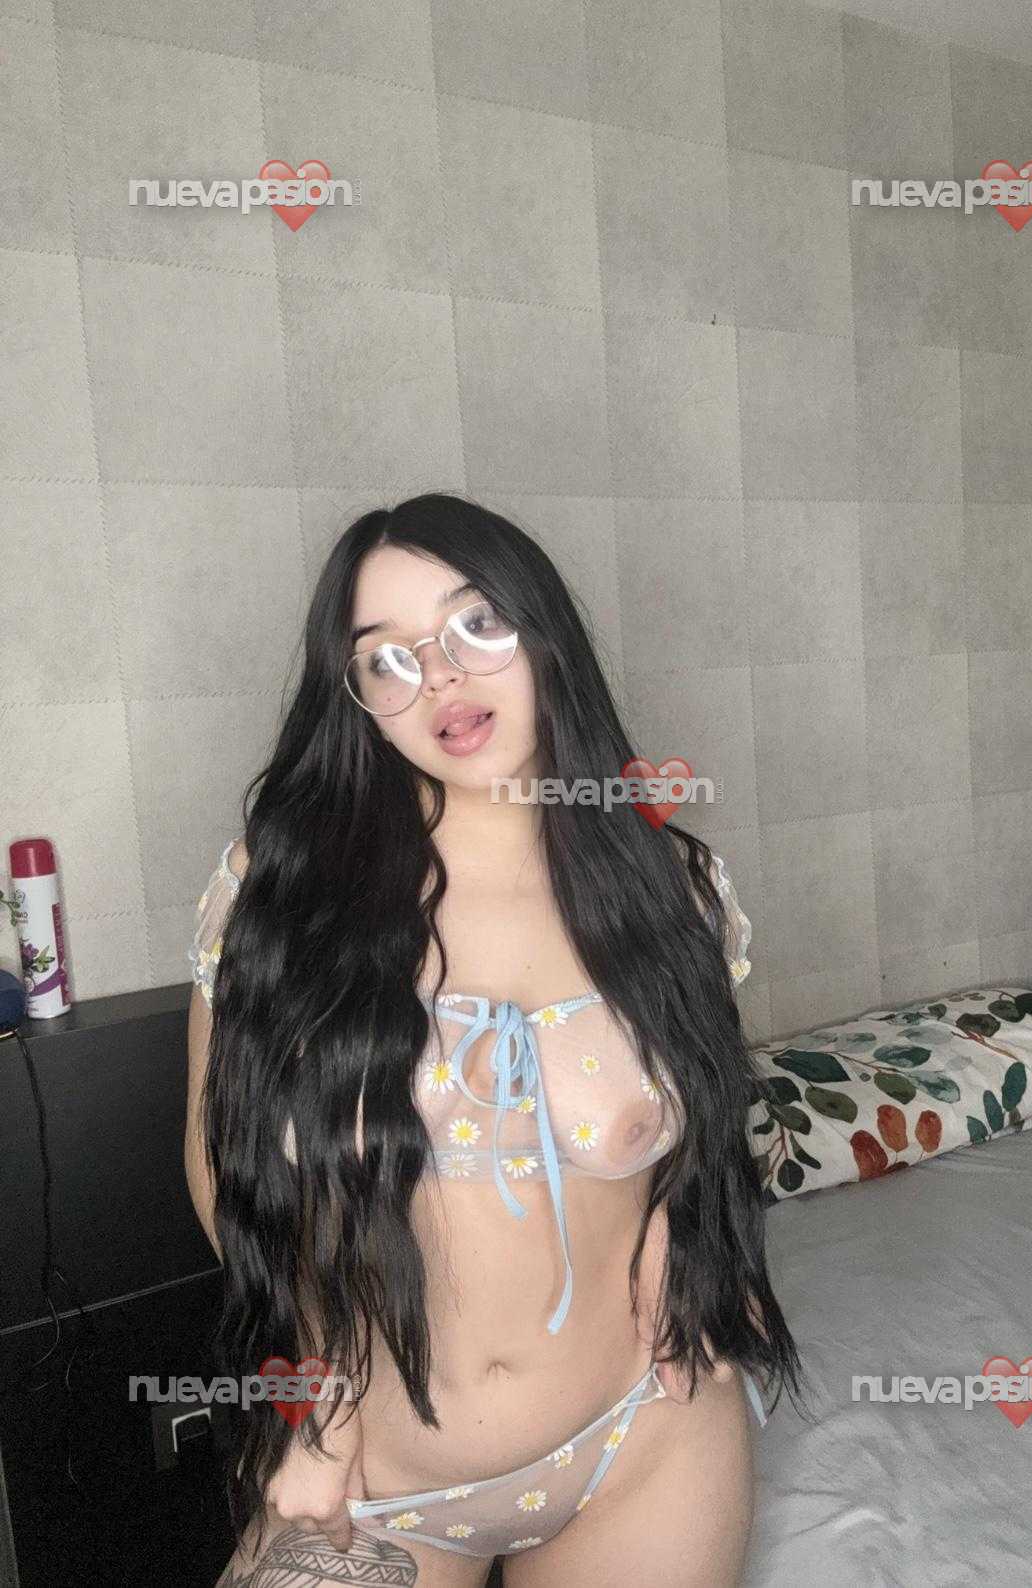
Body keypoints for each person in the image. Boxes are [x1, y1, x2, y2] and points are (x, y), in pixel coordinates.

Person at [186, 494, 812, 1588]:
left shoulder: (674, 888)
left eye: (476, 624)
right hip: (378, 1476)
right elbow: (219, 1163)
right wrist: (318, 1393)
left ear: (543, 627)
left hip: (644, 1439)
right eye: (386, 658)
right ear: (359, 700)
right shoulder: (282, 892)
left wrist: (687, 1253)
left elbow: (701, 1120)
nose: (441, 677)